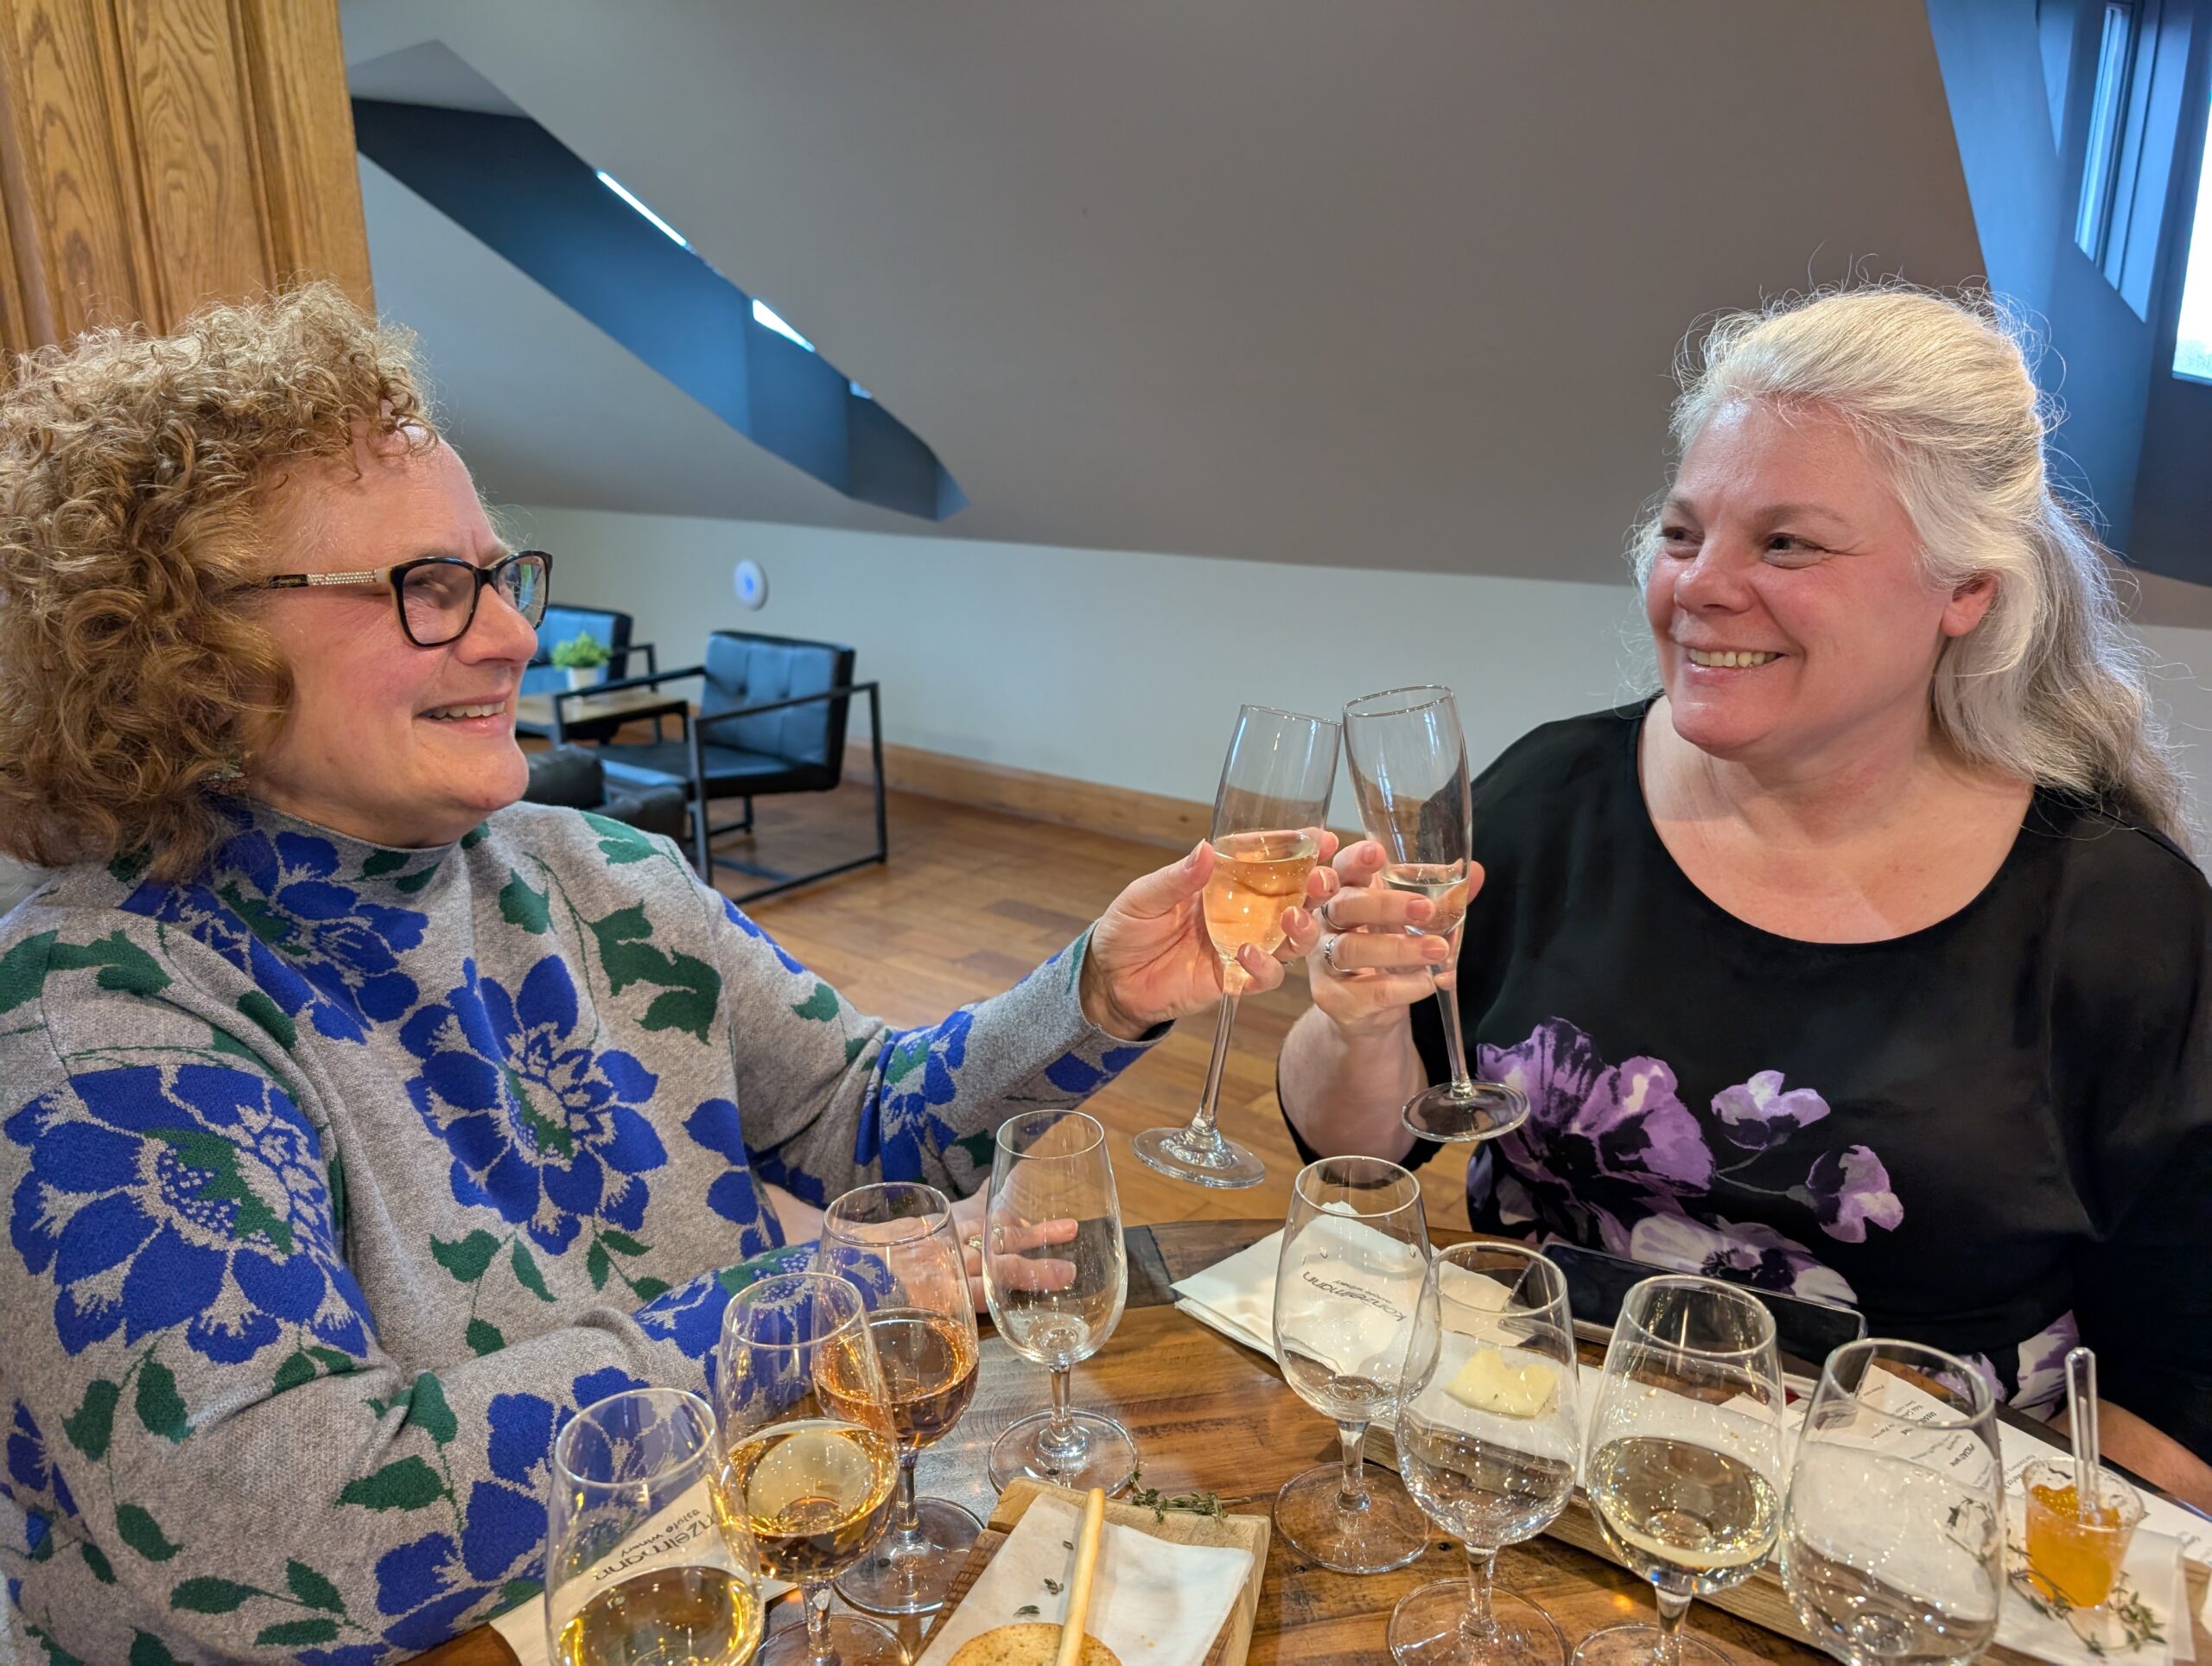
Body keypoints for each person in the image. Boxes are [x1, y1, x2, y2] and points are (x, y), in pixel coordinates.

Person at [0, 286, 1333, 1662]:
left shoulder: (604, 877)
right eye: (428, 589)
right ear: (189, 650)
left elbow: (861, 1117)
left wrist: (1098, 992)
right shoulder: (98, 1022)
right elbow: (284, 1530)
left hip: (714, 1591)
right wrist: (822, 1301)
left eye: (500, 577)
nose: (513, 639)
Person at [1281, 287, 2212, 1504]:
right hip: (1532, 1457)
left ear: (1965, 589)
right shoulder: (1550, 799)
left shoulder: (2117, 920)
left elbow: (2183, 1381)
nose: (1701, 586)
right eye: (1682, 534)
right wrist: (1355, 1022)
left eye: (1788, 545)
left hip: (1906, 1537)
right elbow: (1365, 1154)